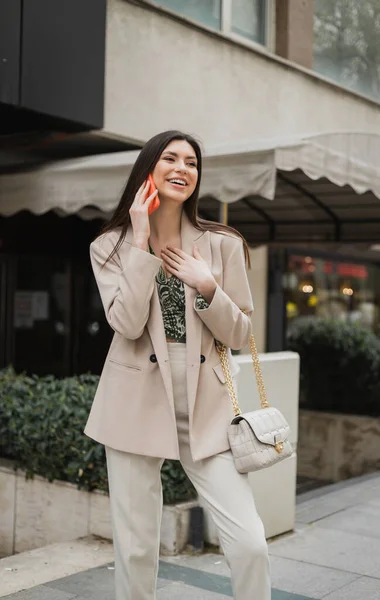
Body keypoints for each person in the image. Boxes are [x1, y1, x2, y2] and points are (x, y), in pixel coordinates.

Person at [84, 130, 271, 600]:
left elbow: (241, 334)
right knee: (136, 546)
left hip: (205, 402)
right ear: (149, 168)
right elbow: (125, 324)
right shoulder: (110, 245)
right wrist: (141, 242)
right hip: (133, 401)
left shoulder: (222, 244)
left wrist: (209, 287)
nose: (182, 168)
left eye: (191, 162)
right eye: (170, 158)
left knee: (250, 542)